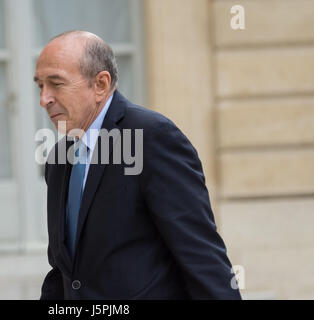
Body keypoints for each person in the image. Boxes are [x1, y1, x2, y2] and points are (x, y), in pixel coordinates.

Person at [34, 30, 241, 300]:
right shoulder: (60, 158)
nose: (44, 99)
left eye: (56, 83)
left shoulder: (152, 138)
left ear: (100, 84)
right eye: (40, 85)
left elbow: (200, 256)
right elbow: (63, 272)